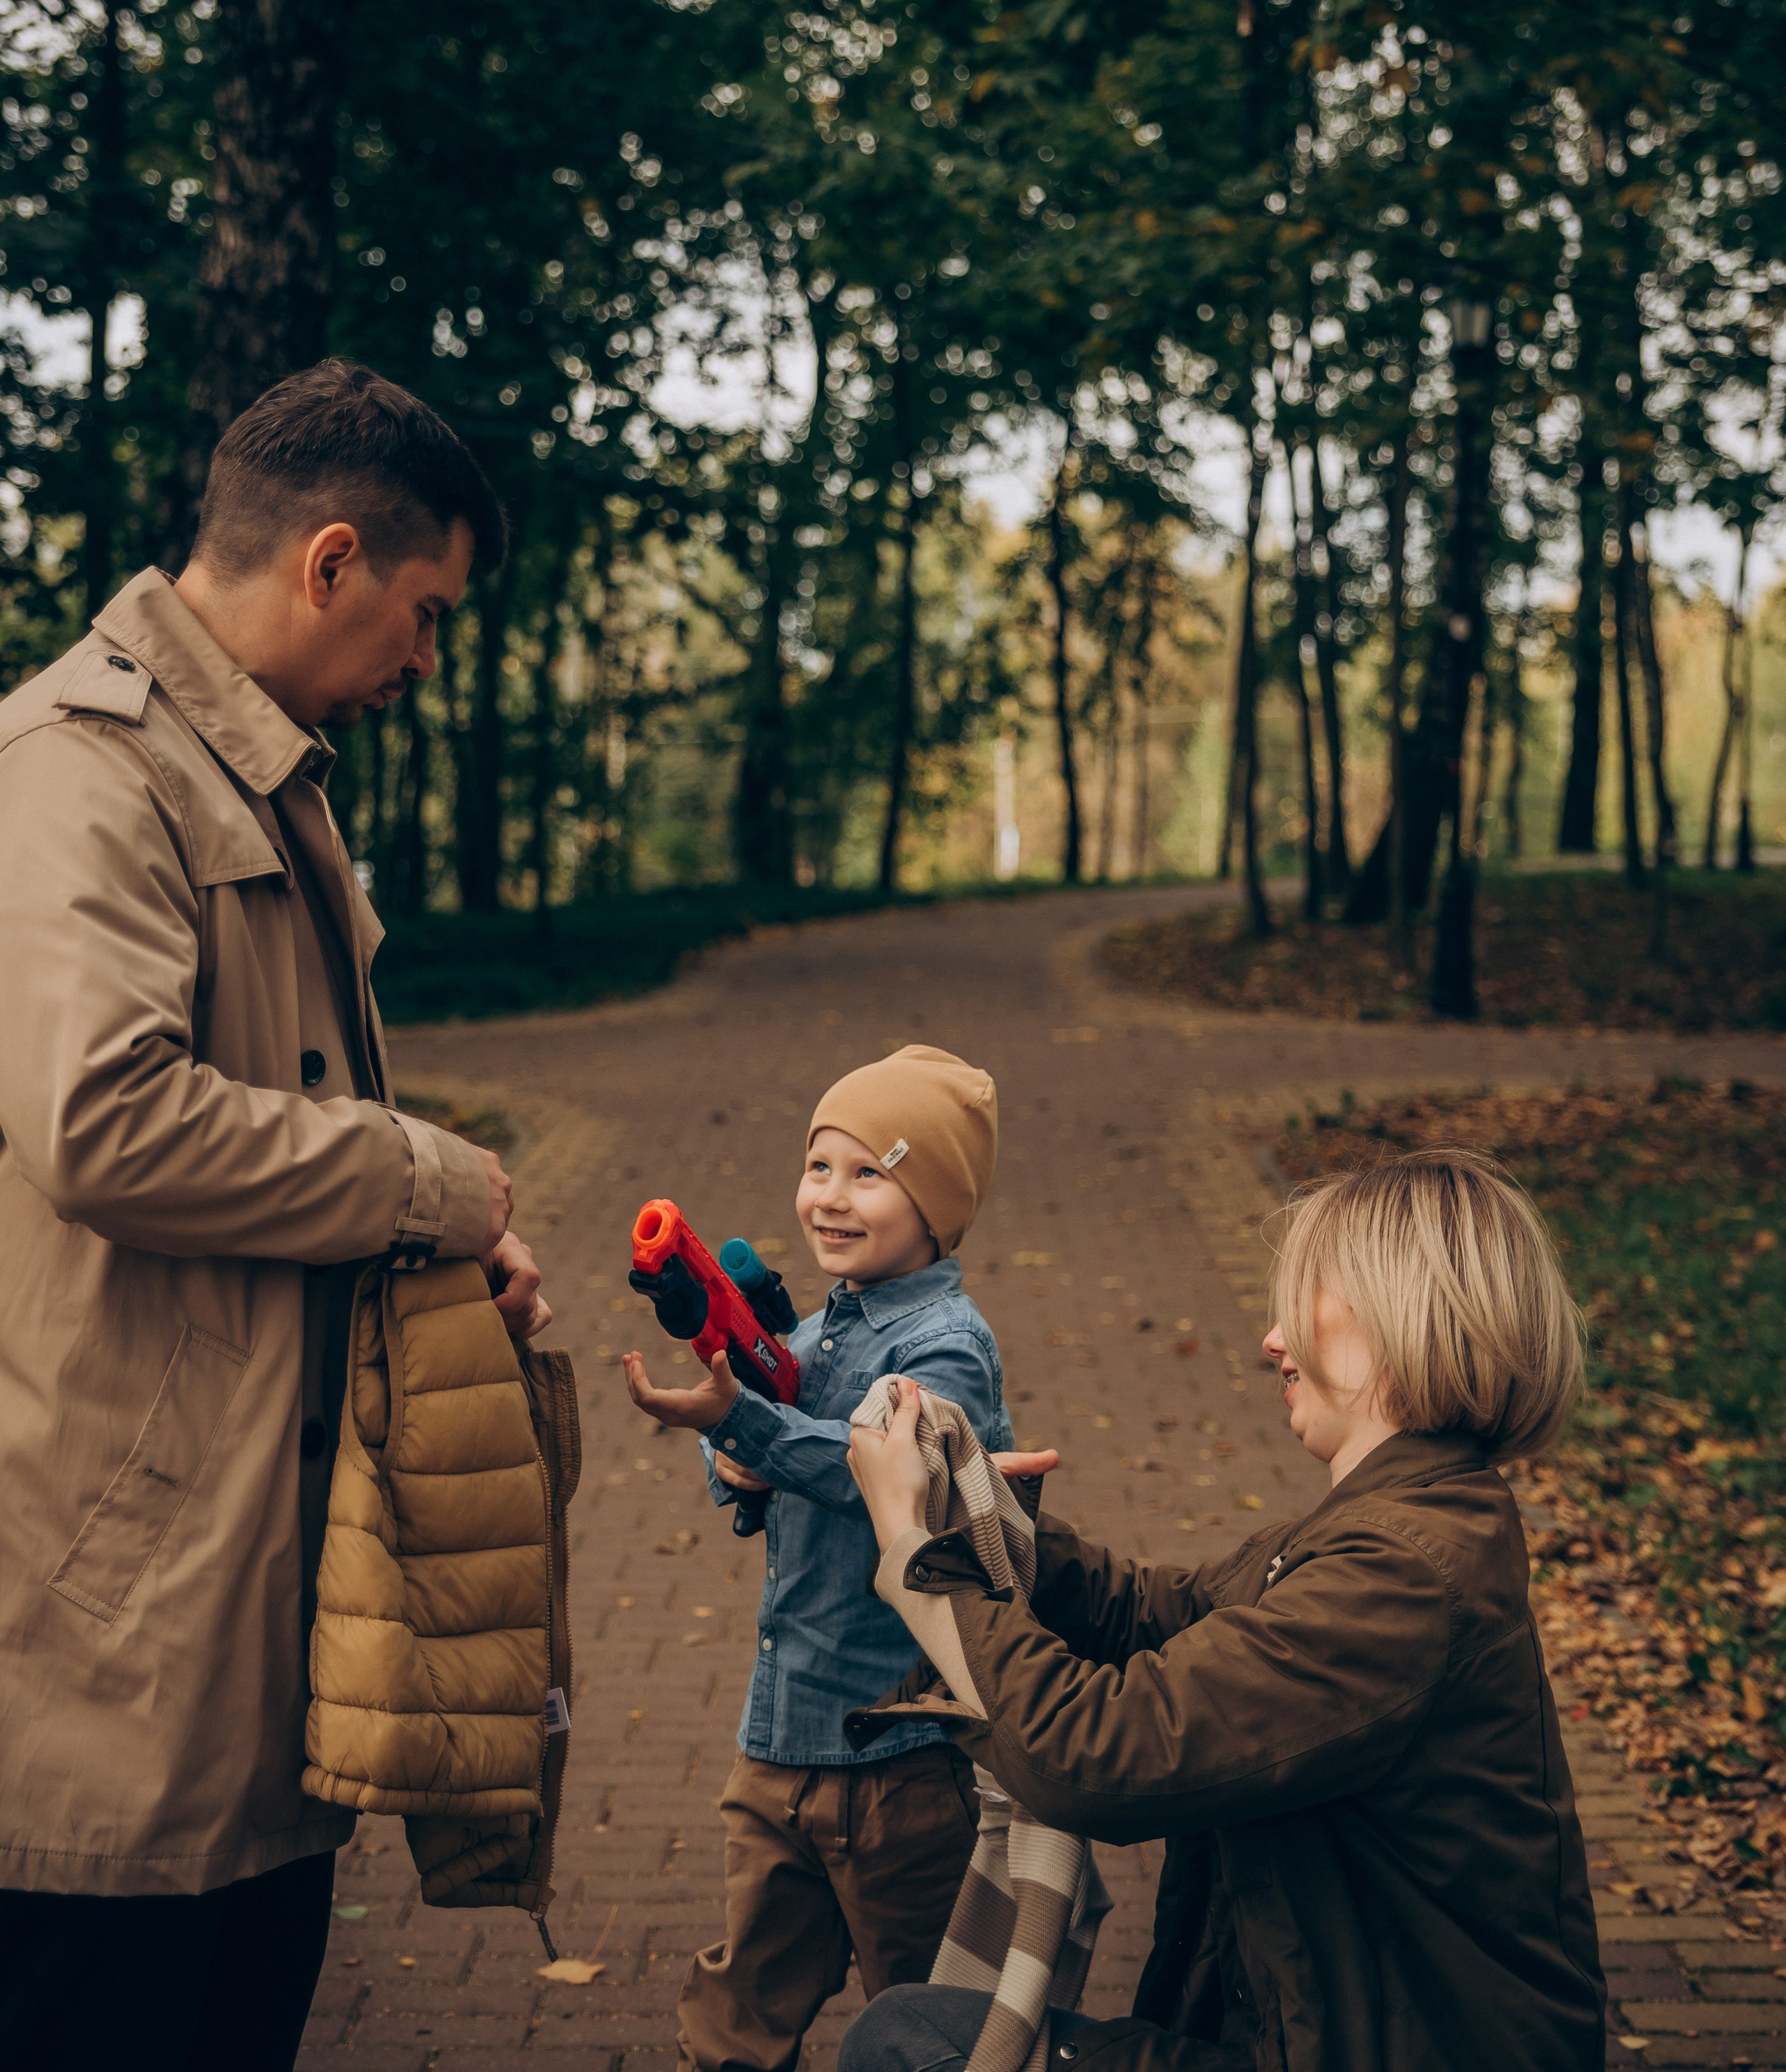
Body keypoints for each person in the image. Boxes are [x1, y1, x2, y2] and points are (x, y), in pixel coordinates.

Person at [0, 359, 551, 2072]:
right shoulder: (79, 771)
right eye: (423, 610)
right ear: (327, 562)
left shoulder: (246, 772)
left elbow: (274, 1103)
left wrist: (435, 1239)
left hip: (248, 1601)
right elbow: (106, 1121)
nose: (426, 660)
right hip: (120, 1640)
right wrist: (422, 1181)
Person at [842, 1149, 1607, 2072]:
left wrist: (918, 1546)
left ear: (1400, 1312)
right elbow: (1155, 1616)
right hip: (1326, 2031)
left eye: (1306, 1301)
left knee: (904, 2039)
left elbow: (1095, 1756)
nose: (1273, 1339)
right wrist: (1000, 1528)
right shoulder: (1396, 1527)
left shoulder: (1400, 1575)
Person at [623, 1045, 1010, 2072]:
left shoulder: (946, 1344)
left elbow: (876, 1471)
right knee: (735, 2013)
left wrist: (751, 1424)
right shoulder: (809, 1331)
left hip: (899, 1760)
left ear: (936, 1202)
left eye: (869, 1173)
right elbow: (757, 1448)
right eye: (818, 1166)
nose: (831, 1198)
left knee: (936, 2021)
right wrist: (733, 1454)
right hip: (780, 1738)